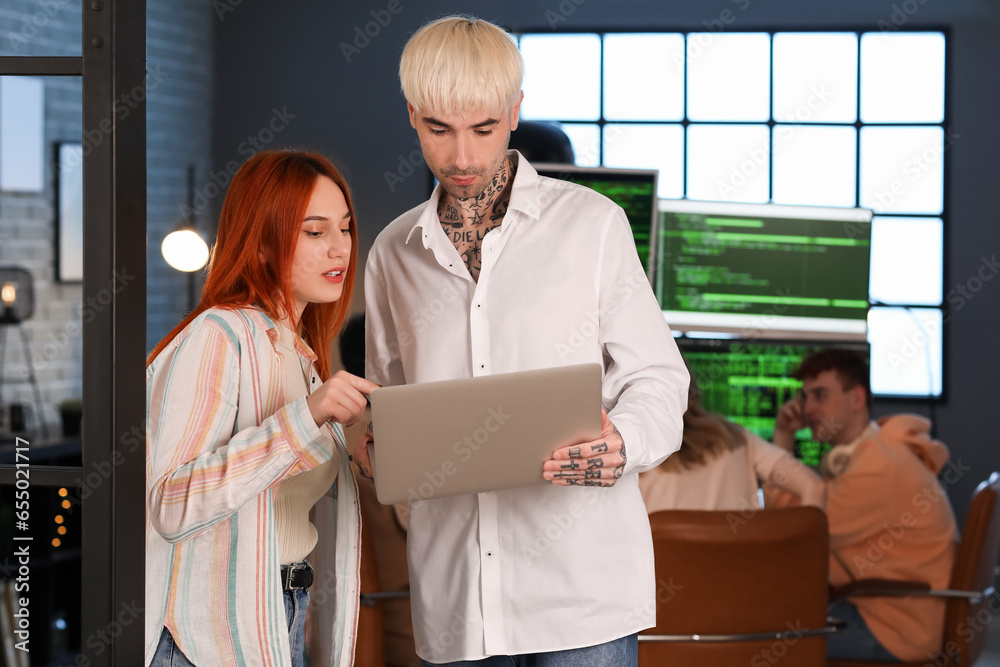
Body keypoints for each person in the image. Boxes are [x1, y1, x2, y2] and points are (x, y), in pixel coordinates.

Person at [356, 16, 689, 666]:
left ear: (515, 113)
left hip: (582, 593)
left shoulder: (592, 226)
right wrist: (374, 447)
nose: (462, 158)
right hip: (456, 602)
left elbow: (658, 378)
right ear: (412, 116)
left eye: (483, 129)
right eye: (438, 129)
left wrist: (623, 442)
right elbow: (386, 403)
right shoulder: (393, 252)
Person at [145, 150, 378, 667]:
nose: (340, 248)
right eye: (315, 232)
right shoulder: (218, 336)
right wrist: (305, 417)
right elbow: (171, 502)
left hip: (281, 613)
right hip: (207, 639)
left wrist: (354, 454)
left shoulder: (294, 350)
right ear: (263, 240)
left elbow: (278, 488)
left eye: (345, 228)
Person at [772, 348, 957, 663]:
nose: (807, 409)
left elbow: (795, 535)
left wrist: (781, 439)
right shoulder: (877, 451)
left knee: (756, 637)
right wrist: (785, 435)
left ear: (857, 398)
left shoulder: (877, 467)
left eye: (820, 396)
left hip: (894, 628)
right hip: (892, 610)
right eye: (806, 397)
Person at [639, 366, 826, 514]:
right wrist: (803, 555)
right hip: (742, 562)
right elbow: (814, 487)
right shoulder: (736, 437)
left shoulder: (633, 462)